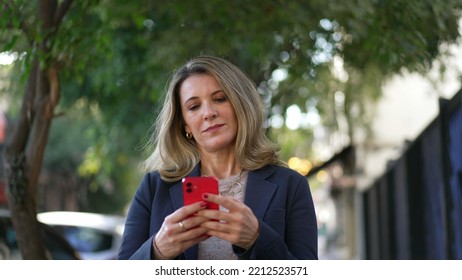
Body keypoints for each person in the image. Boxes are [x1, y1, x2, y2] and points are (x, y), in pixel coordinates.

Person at [117, 55, 318, 260]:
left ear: (241, 106)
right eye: (194, 106)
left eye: (220, 99)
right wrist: (157, 251)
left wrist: (258, 238)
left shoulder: (291, 185)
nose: (208, 113)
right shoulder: (154, 188)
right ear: (185, 124)